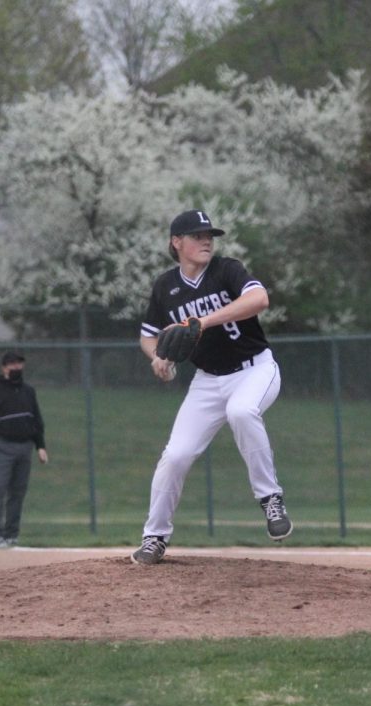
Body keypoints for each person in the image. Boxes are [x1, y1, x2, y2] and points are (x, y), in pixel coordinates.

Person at [131, 208, 292, 565]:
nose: (207, 240)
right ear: (177, 242)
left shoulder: (226, 269)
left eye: (210, 235)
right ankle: (154, 537)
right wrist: (157, 357)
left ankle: (271, 500)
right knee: (176, 455)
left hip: (255, 370)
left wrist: (201, 321)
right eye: (197, 235)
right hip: (208, 382)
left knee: (241, 411)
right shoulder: (165, 287)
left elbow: (259, 299)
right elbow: (148, 337)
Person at [0, 351, 48, 548]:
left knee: (18, 493)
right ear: (4, 367)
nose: (16, 368)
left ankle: (11, 534)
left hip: (25, 448)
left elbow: (36, 420)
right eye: (12, 364)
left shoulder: (28, 391)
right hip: (3, 447)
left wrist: (40, 446)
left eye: (19, 364)